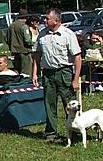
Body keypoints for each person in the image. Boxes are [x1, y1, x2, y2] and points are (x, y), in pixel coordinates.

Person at [32, 8, 82, 142]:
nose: (44, 20)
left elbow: (77, 57)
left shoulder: (68, 34)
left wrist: (76, 79)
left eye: (47, 18)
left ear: (56, 20)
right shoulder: (42, 34)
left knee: (70, 104)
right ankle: (51, 134)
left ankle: (75, 132)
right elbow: (36, 55)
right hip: (48, 73)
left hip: (64, 72)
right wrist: (34, 73)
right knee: (49, 104)